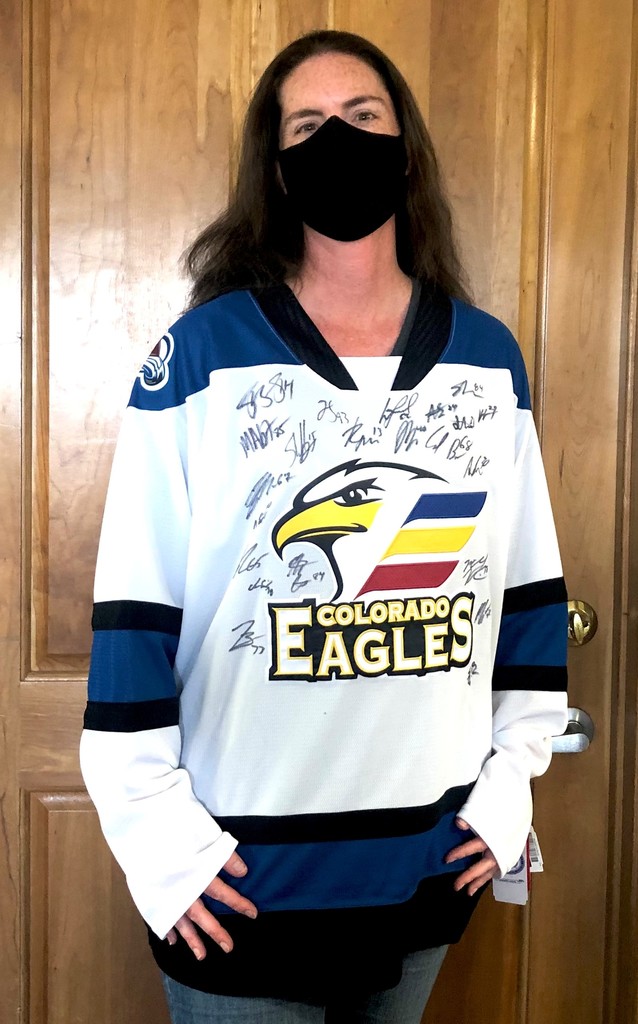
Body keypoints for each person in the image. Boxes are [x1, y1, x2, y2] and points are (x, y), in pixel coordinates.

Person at [80, 29, 568, 1024]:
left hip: (424, 877)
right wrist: (162, 844)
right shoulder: (200, 359)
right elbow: (134, 619)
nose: (336, 140)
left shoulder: (487, 361)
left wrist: (505, 791)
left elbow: (528, 599)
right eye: (307, 126)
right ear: (275, 167)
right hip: (239, 888)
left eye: (361, 116)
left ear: (406, 149)